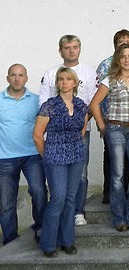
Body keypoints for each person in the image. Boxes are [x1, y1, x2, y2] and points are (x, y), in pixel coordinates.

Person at [90, 43, 129, 232]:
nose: (127, 60)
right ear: (118, 59)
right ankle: (119, 218)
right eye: (123, 56)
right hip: (115, 129)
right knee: (117, 175)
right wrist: (102, 125)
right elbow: (95, 103)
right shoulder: (110, 80)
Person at [39, 35, 97, 226]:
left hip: (80, 132)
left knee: (80, 174)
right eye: (67, 47)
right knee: (58, 181)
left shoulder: (89, 72)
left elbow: (90, 103)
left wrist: (80, 126)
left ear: (80, 49)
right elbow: (44, 103)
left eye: (74, 47)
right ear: (60, 50)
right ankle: (58, 217)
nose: (71, 51)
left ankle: (78, 212)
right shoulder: (50, 73)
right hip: (55, 136)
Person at [33, 67, 89, 257]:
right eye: (60, 79)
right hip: (55, 156)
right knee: (57, 198)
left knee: (71, 198)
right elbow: (37, 136)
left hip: (76, 155)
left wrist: (74, 145)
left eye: (68, 79)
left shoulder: (81, 105)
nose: (64, 82)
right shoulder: (49, 105)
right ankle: (48, 244)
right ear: (57, 83)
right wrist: (48, 155)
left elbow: (82, 129)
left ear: (75, 83)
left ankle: (67, 241)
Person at [0, 64, 46, 245]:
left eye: (21, 75)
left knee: (39, 191)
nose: (17, 78)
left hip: (32, 156)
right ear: (7, 78)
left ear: (26, 78)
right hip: (4, 158)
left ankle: (42, 229)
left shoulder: (36, 101)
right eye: (13, 75)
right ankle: (10, 239)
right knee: (6, 202)